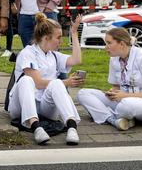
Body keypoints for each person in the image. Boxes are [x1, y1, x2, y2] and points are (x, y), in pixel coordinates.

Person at [7, 14, 84, 145]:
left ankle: (71, 126)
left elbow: (76, 59)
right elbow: (37, 83)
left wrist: (74, 33)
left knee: (56, 84)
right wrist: (66, 82)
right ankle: (35, 126)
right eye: (58, 38)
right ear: (47, 38)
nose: (61, 41)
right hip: (21, 104)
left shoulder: (53, 55)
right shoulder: (28, 53)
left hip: (44, 105)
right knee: (27, 81)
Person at [77, 27, 142, 130]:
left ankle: (105, 114)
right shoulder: (114, 58)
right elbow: (116, 86)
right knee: (83, 93)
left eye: (109, 43)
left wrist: (126, 96)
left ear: (122, 44)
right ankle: (114, 120)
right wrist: (112, 92)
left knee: (126, 105)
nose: (106, 47)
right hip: (122, 100)